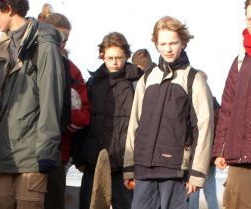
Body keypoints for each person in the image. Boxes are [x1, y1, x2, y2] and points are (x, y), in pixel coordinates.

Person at [0, 0, 65, 209]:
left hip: (31, 159)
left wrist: (45, 150)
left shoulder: (44, 44)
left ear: (8, 7)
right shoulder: (2, 48)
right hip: (0, 157)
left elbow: (51, 100)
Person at [123, 16, 214, 209]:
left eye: (173, 43)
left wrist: (197, 174)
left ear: (183, 42)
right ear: (156, 45)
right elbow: (134, 124)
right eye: (163, 43)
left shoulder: (193, 79)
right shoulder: (147, 78)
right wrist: (129, 168)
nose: (168, 48)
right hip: (144, 169)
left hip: (175, 171)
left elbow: (203, 128)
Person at [77, 32, 142, 209]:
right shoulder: (93, 83)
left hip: (124, 166)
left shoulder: (138, 83)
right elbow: (84, 123)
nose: (114, 62)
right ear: (102, 56)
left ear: (127, 56)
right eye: (110, 57)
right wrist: (79, 156)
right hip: (93, 163)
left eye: (118, 58)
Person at [38, 5, 91, 209]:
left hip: (56, 154)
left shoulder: (71, 70)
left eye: (65, 39)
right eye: (57, 37)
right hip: (22, 154)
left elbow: (83, 115)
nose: (61, 44)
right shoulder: (24, 63)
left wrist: (60, 119)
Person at [212, 1, 251, 208]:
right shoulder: (240, 61)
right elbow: (227, 109)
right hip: (240, 159)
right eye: (250, 18)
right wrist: (221, 149)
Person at [189, 97, 220, 209]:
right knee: (210, 189)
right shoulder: (213, 102)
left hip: (197, 153)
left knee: (194, 190)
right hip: (210, 154)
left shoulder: (194, 100)